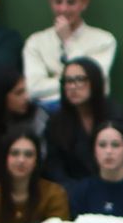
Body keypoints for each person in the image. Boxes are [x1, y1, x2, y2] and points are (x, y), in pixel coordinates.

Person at [21, 0, 116, 104]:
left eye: (71, 2)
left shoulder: (104, 40)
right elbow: (33, 88)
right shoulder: (35, 42)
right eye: (58, 2)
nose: (63, 9)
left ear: (84, 2)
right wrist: (72, 82)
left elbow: (93, 83)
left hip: (89, 111)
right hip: (47, 112)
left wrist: (68, 40)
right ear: (50, 1)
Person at [43, 57, 118, 189]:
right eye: (68, 81)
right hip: (75, 192)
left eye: (80, 80)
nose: (72, 86)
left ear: (94, 81)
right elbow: (54, 166)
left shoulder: (116, 116)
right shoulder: (56, 122)